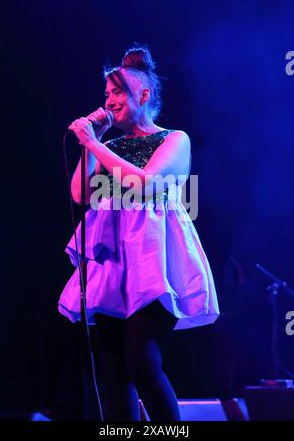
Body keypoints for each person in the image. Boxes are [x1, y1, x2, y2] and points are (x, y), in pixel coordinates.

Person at [58, 45, 219, 421]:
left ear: (143, 94)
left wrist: (95, 144)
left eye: (117, 92)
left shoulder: (174, 139)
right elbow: (80, 192)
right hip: (113, 260)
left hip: (153, 257)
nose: (109, 100)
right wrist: (93, 146)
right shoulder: (107, 146)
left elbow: (146, 184)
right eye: (106, 93)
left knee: (142, 362)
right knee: (114, 373)